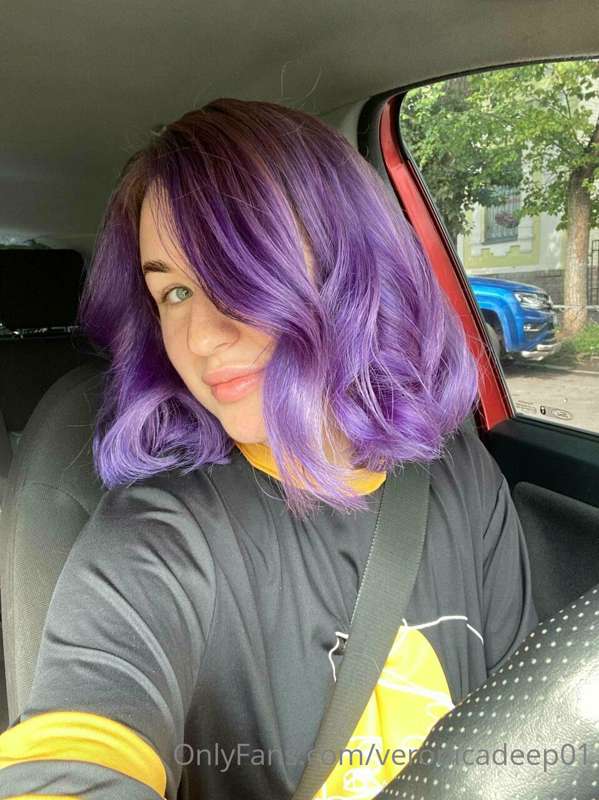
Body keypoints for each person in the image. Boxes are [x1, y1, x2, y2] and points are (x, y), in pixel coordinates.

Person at [0, 98, 538, 800]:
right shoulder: (160, 535)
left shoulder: (457, 475)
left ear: (349, 265)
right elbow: (76, 749)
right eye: (175, 291)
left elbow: (522, 732)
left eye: (235, 270)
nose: (200, 337)